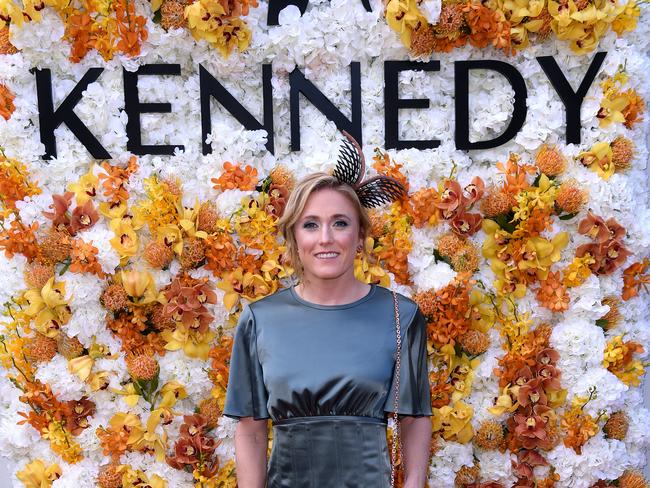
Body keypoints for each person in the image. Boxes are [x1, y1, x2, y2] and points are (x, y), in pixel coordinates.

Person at [223, 135, 433, 488]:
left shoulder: (401, 315)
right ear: (294, 238)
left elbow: (413, 418)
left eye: (340, 222)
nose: (325, 238)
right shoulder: (260, 319)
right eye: (310, 224)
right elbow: (252, 431)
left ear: (360, 235)